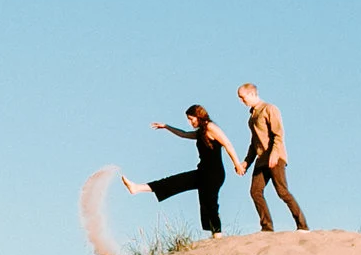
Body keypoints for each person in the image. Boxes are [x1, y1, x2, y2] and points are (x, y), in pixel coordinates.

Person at [121, 104, 246, 236]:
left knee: (210, 203)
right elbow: (184, 134)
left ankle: (218, 235)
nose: (190, 122)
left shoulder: (210, 127)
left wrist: (237, 164)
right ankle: (137, 188)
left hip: (214, 174)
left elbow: (227, 144)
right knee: (174, 183)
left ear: (199, 116)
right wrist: (167, 127)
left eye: (191, 119)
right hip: (202, 172)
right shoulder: (201, 132)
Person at [238, 82, 308, 230]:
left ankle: (302, 226)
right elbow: (254, 143)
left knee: (282, 191)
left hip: (275, 158)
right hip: (261, 159)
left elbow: (278, 134)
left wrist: (275, 154)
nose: (241, 101)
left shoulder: (269, 109)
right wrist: (246, 162)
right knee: (255, 192)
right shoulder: (251, 118)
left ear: (252, 94)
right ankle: (267, 227)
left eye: (243, 97)